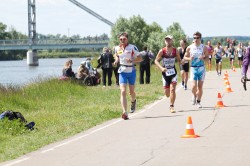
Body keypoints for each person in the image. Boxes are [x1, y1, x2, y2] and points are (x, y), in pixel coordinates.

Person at [113, 32, 142, 120]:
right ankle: (125, 112)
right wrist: (116, 60)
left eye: (124, 39)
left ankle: (133, 101)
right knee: (123, 91)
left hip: (131, 70)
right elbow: (117, 55)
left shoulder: (132, 47)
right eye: (121, 39)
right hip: (122, 71)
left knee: (131, 92)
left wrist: (132, 60)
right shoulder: (117, 48)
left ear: (127, 39)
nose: (122, 40)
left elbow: (140, 58)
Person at [154, 35, 181, 113]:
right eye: (166, 40)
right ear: (165, 41)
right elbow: (156, 61)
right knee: (167, 94)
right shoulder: (162, 51)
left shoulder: (175, 51)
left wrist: (181, 63)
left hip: (173, 73)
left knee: (173, 89)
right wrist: (161, 68)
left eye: (169, 40)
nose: (168, 41)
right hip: (165, 73)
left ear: (172, 41)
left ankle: (172, 106)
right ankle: (169, 98)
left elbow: (179, 60)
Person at [184, 31, 208, 108]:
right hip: (193, 69)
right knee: (194, 86)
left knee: (200, 87)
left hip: (201, 68)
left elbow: (207, 59)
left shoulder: (204, 47)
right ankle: (194, 95)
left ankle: (198, 102)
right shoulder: (189, 47)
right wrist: (189, 58)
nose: (196, 39)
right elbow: (185, 57)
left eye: (197, 38)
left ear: (200, 38)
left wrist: (203, 57)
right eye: (194, 38)